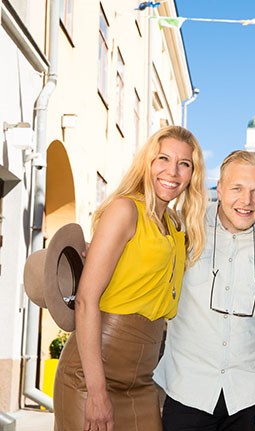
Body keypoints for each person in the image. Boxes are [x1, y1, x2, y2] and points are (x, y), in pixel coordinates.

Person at [54, 125, 207, 431]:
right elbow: (86, 300)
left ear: (193, 175)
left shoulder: (176, 227)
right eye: (163, 159)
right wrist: (96, 392)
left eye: (184, 164)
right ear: (148, 163)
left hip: (141, 379)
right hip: (92, 374)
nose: (172, 172)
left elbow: (234, 211)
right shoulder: (125, 210)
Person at [154, 150, 255, 431]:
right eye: (237, 189)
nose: (246, 201)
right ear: (219, 187)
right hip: (187, 391)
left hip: (250, 398)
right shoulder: (184, 227)